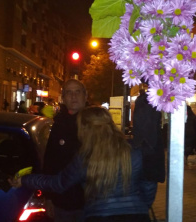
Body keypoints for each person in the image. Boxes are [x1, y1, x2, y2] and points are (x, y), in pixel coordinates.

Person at [10, 107, 151, 222]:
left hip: (99, 216)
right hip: (138, 215)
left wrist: (25, 180)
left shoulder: (86, 158)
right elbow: (149, 184)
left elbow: (58, 183)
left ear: (86, 129)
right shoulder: (134, 151)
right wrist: (142, 205)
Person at [42, 79, 88, 221]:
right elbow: (50, 161)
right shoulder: (58, 124)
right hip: (63, 201)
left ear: (85, 96)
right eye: (69, 92)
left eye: (77, 92)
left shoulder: (95, 123)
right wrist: (48, 197)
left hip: (90, 202)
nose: (73, 96)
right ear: (63, 98)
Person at [132, 89, 166, 215]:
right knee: (147, 190)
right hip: (149, 151)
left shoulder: (143, 102)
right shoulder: (147, 102)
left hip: (145, 148)